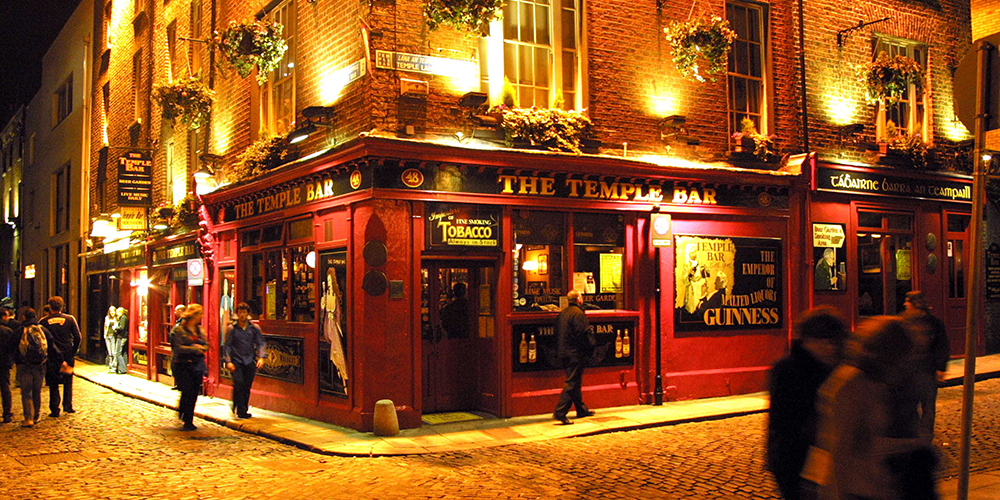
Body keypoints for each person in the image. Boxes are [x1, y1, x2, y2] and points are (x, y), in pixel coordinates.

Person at [808, 316, 931, 500]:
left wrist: (912, 445)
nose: (906, 367)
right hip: (855, 492)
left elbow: (866, 442)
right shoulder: (852, 385)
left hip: (872, 488)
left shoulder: (873, 384)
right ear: (889, 355)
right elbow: (838, 450)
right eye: (904, 359)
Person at [767, 306, 848, 500]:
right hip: (796, 458)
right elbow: (785, 420)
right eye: (824, 342)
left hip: (825, 458)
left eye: (834, 343)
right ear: (807, 341)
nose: (830, 348)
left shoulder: (837, 368)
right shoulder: (788, 370)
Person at [901, 290, 950, 438]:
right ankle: (918, 434)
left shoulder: (933, 323)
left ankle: (924, 436)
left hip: (925, 369)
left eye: (908, 301)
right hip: (912, 370)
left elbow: (941, 345)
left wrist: (941, 367)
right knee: (913, 405)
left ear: (915, 304)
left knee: (926, 406)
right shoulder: (903, 321)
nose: (905, 304)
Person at [552, 290, 596, 425]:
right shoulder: (578, 314)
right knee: (572, 382)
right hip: (575, 353)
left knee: (575, 381)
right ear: (578, 299)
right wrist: (591, 346)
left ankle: (581, 409)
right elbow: (583, 334)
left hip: (563, 352)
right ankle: (560, 412)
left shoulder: (563, 314)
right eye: (581, 297)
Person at [14, 308, 59, 427]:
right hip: (40, 365)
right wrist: (61, 361)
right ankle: (36, 416)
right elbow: (52, 347)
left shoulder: (20, 331)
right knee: (36, 391)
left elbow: (10, 346)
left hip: (24, 365)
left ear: (23, 317)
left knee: (26, 391)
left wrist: (15, 360)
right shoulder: (43, 330)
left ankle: (28, 418)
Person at [223, 302, 266, 419]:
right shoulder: (232, 328)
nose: (242, 315)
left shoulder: (254, 328)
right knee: (239, 383)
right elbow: (227, 345)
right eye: (240, 312)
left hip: (249, 359)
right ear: (237, 314)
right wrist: (228, 361)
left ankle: (242, 408)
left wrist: (261, 357)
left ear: (248, 314)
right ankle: (240, 408)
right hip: (236, 360)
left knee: (246, 386)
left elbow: (260, 342)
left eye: (244, 312)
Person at [40, 296, 81, 417]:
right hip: (67, 353)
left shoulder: (43, 321)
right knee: (68, 381)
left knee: (53, 383)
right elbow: (78, 337)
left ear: (50, 307)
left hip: (52, 355)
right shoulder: (70, 319)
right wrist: (73, 351)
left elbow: (41, 339)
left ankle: (54, 408)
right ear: (62, 306)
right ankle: (68, 406)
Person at [170, 304, 208, 431]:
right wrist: (195, 348)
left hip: (196, 365)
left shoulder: (199, 330)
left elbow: (206, 344)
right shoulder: (179, 330)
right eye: (199, 314)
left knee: (193, 392)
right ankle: (185, 413)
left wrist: (202, 347)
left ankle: (188, 418)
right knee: (186, 390)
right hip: (182, 364)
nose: (201, 316)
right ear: (193, 315)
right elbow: (177, 348)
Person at [321, 270, 348, 390]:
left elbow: (338, 313)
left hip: (335, 327)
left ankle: (342, 378)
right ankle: (334, 379)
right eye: (328, 282)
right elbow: (323, 315)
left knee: (337, 351)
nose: (329, 284)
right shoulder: (326, 297)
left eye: (331, 281)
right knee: (332, 350)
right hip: (329, 326)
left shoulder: (335, 297)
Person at [0, 308, 16, 423]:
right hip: (4, 363)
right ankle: (7, 413)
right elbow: (12, 348)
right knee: (5, 387)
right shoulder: (7, 331)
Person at [114, 307, 129, 374]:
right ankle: (124, 367)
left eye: (117, 312)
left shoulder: (123, 318)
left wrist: (116, 328)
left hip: (121, 337)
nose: (116, 314)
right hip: (124, 337)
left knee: (118, 353)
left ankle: (123, 369)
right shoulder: (124, 317)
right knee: (123, 353)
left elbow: (122, 328)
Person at [103, 306, 118, 373]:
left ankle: (114, 367)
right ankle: (110, 366)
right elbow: (105, 327)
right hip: (107, 336)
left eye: (113, 311)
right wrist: (104, 335)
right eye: (111, 311)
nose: (112, 313)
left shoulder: (116, 318)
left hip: (113, 336)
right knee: (109, 353)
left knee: (113, 352)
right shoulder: (107, 318)